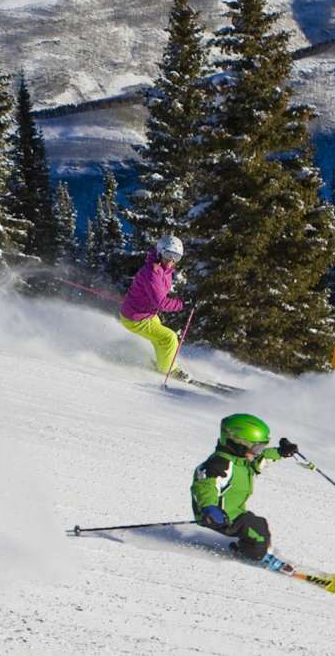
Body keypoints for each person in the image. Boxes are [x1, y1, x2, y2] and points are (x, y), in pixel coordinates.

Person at [191, 413, 299, 568]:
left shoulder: (241, 461)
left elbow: (261, 460)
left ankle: (246, 549)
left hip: (234, 512)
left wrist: (281, 452)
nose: (258, 452)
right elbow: (204, 487)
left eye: (261, 447)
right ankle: (256, 557)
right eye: (256, 447)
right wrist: (209, 507)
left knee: (259, 525)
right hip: (217, 516)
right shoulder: (218, 465)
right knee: (256, 531)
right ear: (237, 443)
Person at [119, 235, 186, 376]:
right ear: (160, 252)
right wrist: (182, 304)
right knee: (169, 338)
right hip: (135, 318)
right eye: (169, 255)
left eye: (176, 257)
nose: (171, 260)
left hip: (145, 313)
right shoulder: (152, 272)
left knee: (161, 339)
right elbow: (161, 303)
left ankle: (165, 364)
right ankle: (168, 370)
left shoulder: (163, 269)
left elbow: (158, 293)